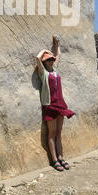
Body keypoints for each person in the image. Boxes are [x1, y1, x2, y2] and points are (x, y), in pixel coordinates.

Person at [36, 35, 75, 171]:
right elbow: (37, 59)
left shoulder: (56, 70)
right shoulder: (44, 74)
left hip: (60, 104)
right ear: (44, 62)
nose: (51, 61)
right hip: (50, 105)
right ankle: (54, 160)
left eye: (51, 60)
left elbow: (59, 54)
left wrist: (56, 44)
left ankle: (61, 157)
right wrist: (44, 51)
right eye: (48, 60)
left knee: (59, 132)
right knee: (51, 133)